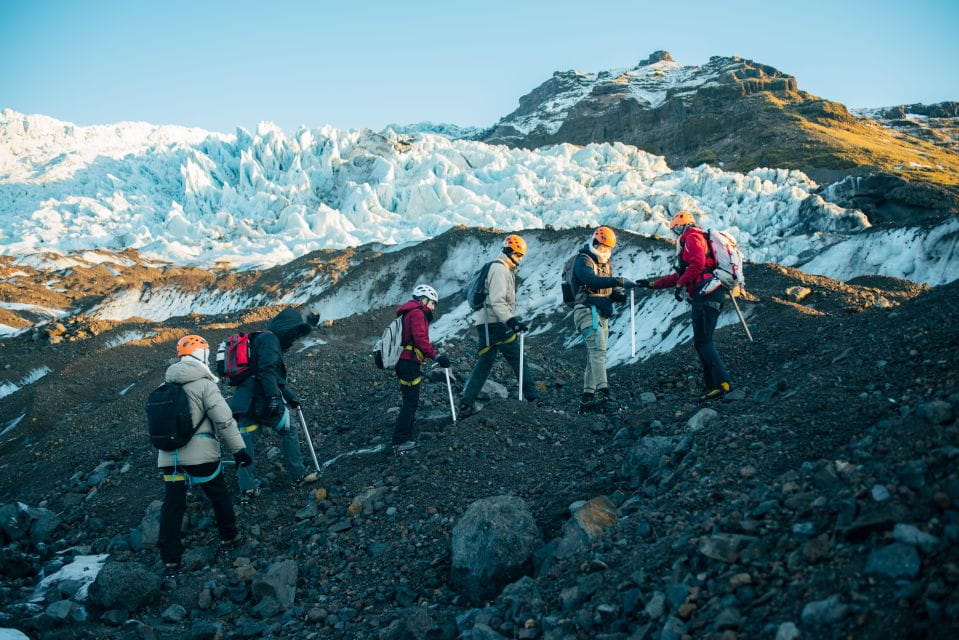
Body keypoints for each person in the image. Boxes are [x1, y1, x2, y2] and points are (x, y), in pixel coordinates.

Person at [157, 335, 252, 573]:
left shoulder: (164, 386)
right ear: (202, 356)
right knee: (219, 494)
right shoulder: (205, 385)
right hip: (202, 457)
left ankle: (171, 559)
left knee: (173, 505)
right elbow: (224, 420)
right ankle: (229, 536)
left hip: (169, 458)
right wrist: (239, 450)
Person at [228, 308, 318, 500]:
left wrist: (289, 395)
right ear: (286, 329)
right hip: (261, 400)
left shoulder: (259, 339)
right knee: (288, 430)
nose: (293, 340)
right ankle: (298, 475)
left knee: (246, 444)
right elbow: (267, 371)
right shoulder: (271, 340)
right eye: (293, 334)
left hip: (244, 403)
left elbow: (270, 375)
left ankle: (248, 487)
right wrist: (274, 398)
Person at [643, 211, 732, 400]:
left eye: (675, 229)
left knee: (703, 342)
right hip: (709, 294)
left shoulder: (692, 237)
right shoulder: (693, 240)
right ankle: (712, 385)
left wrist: (681, 283)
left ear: (682, 226)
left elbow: (698, 264)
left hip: (706, 294)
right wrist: (652, 284)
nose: (675, 234)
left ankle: (722, 383)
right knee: (703, 342)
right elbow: (680, 275)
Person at [459, 234, 540, 416]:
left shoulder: (498, 268)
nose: (520, 260)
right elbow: (497, 301)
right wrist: (512, 322)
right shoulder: (500, 269)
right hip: (495, 323)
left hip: (486, 323)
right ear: (511, 252)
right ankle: (533, 397)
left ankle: (466, 402)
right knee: (517, 357)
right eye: (519, 255)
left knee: (485, 362)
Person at [570, 226, 639, 414]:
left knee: (595, 354)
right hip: (586, 310)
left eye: (606, 247)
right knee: (598, 352)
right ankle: (604, 392)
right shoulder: (583, 261)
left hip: (599, 313)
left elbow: (606, 290)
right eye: (602, 246)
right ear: (595, 242)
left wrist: (619, 295)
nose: (603, 250)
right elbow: (591, 281)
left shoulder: (603, 264)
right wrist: (618, 281)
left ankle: (587, 398)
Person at [391, 284, 451, 453]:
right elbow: (420, 339)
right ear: (424, 300)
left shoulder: (408, 313)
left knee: (409, 401)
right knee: (410, 402)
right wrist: (436, 356)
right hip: (409, 362)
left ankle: (402, 438)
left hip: (404, 362)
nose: (433, 308)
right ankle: (400, 441)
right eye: (432, 303)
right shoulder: (417, 313)